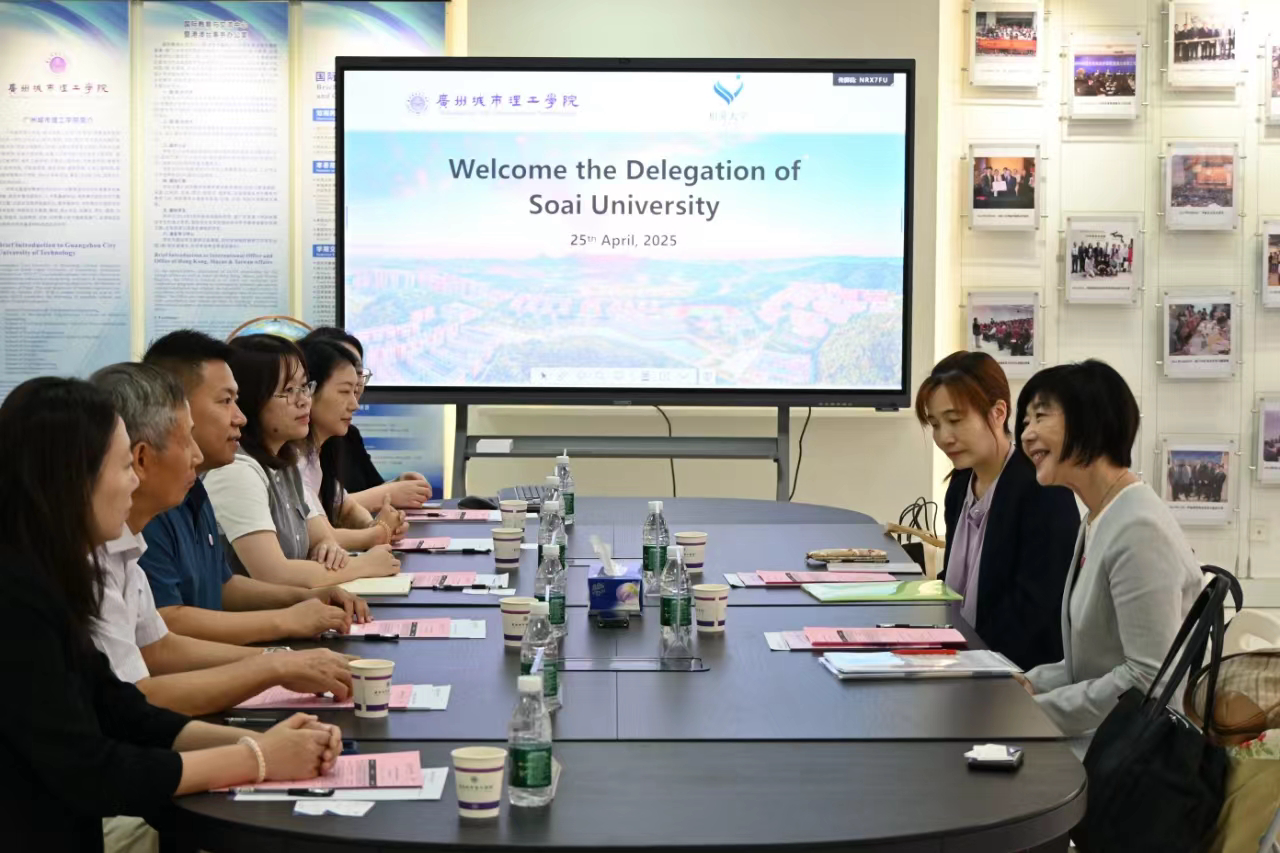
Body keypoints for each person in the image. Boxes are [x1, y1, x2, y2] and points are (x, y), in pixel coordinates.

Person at [0, 377, 343, 850]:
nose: (134, 481)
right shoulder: (18, 597)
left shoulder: (52, 577)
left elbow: (122, 709)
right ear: (72, 480)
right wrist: (257, 758)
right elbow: (90, 768)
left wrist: (263, 744)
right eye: (124, 467)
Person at [87, 363, 359, 716]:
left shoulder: (143, 531)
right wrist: (275, 661)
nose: (239, 417)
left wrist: (280, 657)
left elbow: (160, 644)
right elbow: (135, 697)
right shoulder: (98, 553)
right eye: (226, 401)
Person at [141, 330, 374, 645]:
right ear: (176, 410)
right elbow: (166, 629)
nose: (239, 417)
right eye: (226, 401)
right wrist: (280, 641)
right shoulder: (153, 502)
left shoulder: (196, 486)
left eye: (304, 387)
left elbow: (224, 587)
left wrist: (308, 598)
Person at [1016, 360, 1202, 742]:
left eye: (1040, 417)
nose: (1026, 434)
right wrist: (1030, 684)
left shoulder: (1139, 528)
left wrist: (1031, 713)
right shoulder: (1100, 515)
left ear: (1089, 421)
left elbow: (1147, 679)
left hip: (1132, 758)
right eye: (1025, 422)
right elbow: (1095, 662)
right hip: (1105, 740)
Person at [915, 352, 1080, 671]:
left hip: (1018, 677)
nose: (944, 437)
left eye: (955, 420)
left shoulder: (1044, 491)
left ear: (998, 412)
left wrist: (960, 663)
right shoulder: (960, 485)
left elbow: (1034, 615)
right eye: (935, 424)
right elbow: (955, 587)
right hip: (962, 663)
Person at [203, 334, 400, 587]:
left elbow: (323, 537)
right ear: (251, 399)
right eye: (288, 391)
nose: (304, 400)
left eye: (305, 387)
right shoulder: (236, 471)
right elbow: (275, 574)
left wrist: (328, 548)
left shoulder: (285, 461)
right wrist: (364, 565)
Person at [300, 326, 433, 509]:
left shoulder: (346, 435)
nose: (354, 403)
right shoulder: (292, 454)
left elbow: (340, 504)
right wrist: (385, 495)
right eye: (344, 389)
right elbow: (315, 513)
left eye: (359, 372)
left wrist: (397, 486)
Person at [298, 337, 408, 549]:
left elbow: (345, 507)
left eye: (355, 390)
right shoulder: (292, 459)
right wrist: (380, 532)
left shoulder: (318, 453)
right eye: (344, 392)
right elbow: (325, 537)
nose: (355, 404)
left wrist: (374, 525)